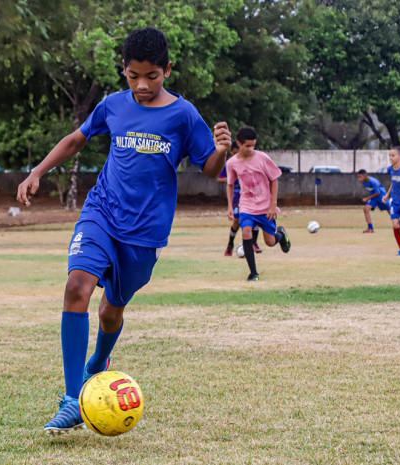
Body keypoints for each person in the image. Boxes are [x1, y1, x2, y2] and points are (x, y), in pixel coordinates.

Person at [16, 27, 231, 433]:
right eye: (133, 76)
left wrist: (220, 151)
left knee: (111, 310)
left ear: (168, 70)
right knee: (77, 286)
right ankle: (72, 398)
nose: (142, 85)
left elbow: (208, 168)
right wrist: (38, 171)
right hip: (101, 212)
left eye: (151, 75)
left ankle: (99, 362)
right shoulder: (113, 106)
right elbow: (77, 140)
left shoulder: (184, 115)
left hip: (145, 233)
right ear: (124, 71)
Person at [224, 127, 291, 281]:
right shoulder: (232, 163)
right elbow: (230, 184)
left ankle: (280, 235)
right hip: (246, 205)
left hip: (265, 206)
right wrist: (229, 206)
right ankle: (253, 273)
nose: (251, 149)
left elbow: (274, 179)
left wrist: (273, 205)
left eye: (253, 145)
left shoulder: (262, 158)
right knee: (246, 231)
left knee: (270, 241)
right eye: (247, 145)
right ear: (239, 144)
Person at [218, 141, 260, 256]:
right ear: (232, 152)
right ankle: (230, 244)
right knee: (237, 221)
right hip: (237, 195)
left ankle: (254, 243)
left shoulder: (250, 161)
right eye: (235, 153)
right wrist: (231, 179)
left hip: (251, 194)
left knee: (255, 217)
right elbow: (220, 178)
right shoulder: (230, 163)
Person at [356, 169, 389, 233]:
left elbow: (378, 193)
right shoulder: (363, 182)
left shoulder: (373, 181)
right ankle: (370, 228)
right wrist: (372, 204)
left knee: (389, 210)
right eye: (358, 177)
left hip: (381, 196)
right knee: (366, 209)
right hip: (374, 197)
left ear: (365, 176)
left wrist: (367, 198)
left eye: (360, 177)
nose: (359, 179)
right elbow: (372, 191)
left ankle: (399, 223)